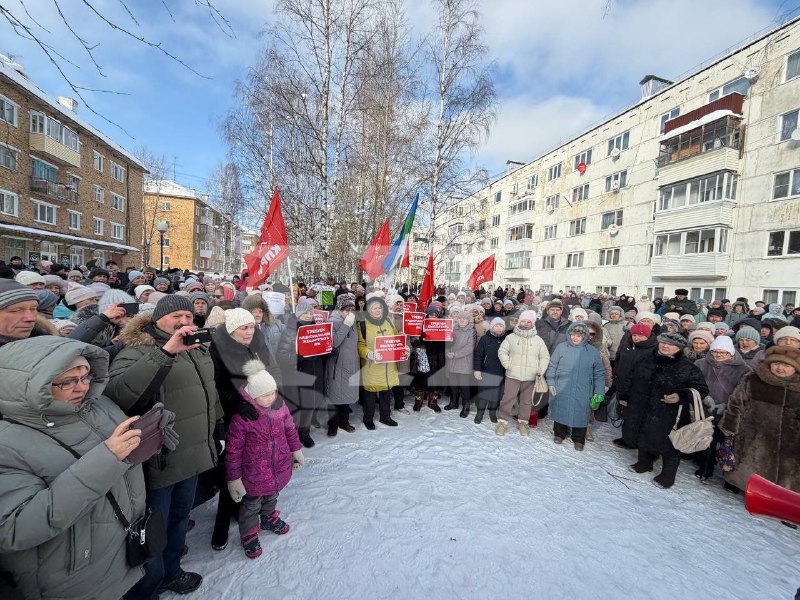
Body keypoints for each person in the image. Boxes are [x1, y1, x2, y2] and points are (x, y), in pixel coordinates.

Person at [0, 337, 148, 600]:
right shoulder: (7, 443)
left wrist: (149, 441)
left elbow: (122, 458)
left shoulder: (97, 405)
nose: (81, 387)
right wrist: (106, 458)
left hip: (126, 544)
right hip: (77, 577)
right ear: (30, 387)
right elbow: (13, 529)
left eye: (86, 376)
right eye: (67, 381)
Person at [105, 295, 222, 597]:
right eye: (176, 316)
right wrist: (167, 351)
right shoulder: (139, 348)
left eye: (188, 316)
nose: (184, 322)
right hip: (159, 459)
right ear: (158, 319)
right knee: (151, 529)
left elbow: (209, 393)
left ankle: (172, 572)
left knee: (180, 519)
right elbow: (120, 394)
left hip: (193, 450)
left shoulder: (198, 347)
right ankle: (148, 587)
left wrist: (217, 431)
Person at [208, 307, 282, 551]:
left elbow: (259, 378)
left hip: (257, 416)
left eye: (251, 327)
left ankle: (246, 511)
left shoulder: (251, 347)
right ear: (231, 330)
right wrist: (239, 403)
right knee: (232, 472)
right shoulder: (217, 350)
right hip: (232, 419)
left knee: (255, 465)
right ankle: (220, 528)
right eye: (244, 328)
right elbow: (217, 388)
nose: (250, 331)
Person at [225, 360, 303, 559]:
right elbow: (233, 451)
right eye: (265, 395)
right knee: (251, 505)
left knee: (272, 495)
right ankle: (249, 534)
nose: (270, 398)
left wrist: (296, 450)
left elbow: (290, 430)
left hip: (278, 466)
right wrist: (234, 479)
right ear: (252, 395)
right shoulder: (243, 417)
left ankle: (268, 518)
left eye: (272, 393)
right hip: (254, 472)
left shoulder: (280, 407)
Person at [628, 332, 709, 489]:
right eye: (663, 342)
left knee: (670, 444)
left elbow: (701, 389)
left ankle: (667, 475)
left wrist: (680, 396)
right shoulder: (647, 359)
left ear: (679, 348)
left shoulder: (687, 367)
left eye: (670, 344)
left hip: (671, 412)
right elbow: (633, 377)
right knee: (643, 434)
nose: (665, 346)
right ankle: (644, 463)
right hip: (643, 406)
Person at [719, 345, 800, 494]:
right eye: (776, 363)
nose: (780, 368)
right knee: (749, 463)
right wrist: (730, 428)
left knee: (787, 472)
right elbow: (736, 403)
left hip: (790, 440)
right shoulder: (753, 379)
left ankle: (784, 497)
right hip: (753, 432)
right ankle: (743, 486)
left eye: (786, 365)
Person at [693, 335, 752, 481]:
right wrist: (704, 397)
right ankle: (705, 467)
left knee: (726, 442)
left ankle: (728, 474)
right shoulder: (701, 363)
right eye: (715, 351)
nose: (718, 355)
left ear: (731, 353)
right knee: (707, 439)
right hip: (704, 408)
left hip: (728, 412)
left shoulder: (744, 369)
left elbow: (745, 392)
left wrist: (727, 405)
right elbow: (693, 381)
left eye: (723, 352)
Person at [546, 322, 606, 451]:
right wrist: (551, 382)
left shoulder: (592, 351)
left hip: (584, 388)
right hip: (563, 386)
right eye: (573, 334)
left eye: (579, 335)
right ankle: (559, 433)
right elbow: (552, 366)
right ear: (569, 334)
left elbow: (599, 374)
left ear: (585, 336)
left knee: (581, 412)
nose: (575, 338)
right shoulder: (561, 347)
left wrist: (599, 392)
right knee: (562, 408)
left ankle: (578, 438)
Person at [277, 299, 326, 447]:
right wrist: (298, 357)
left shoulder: (317, 328)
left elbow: (322, 347)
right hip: (298, 374)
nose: (308, 315)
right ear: (298, 314)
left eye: (310, 312)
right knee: (298, 407)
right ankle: (293, 435)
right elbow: (281, 356)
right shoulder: (289, 331)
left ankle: (305, 433)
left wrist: (329, 351)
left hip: (315, 372)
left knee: (310, 404)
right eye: (304, 312)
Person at [496, 310, 550, 436]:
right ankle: (502, 421)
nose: (526, 324)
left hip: (530, 377)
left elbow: (545, 356)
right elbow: (502, 351)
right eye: (523, 321)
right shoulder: (511, 338)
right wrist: (508, 365)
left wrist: (540, 370)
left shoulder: (538, 340)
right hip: (513, 375)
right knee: (508, 399)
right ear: (519, 322)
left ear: (533, 324)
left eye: (529, 322)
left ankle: (523, 422)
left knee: (526, 401)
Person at [357, 296, 402, 429]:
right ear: (369, 310)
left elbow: (395, 338)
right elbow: (360, 345)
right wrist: (368, 354)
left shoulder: (388, 321)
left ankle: (385, 416)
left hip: (388, 365)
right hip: (372, 365)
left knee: (385, 392)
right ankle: (368, 418)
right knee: (370, 393)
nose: (377, 310)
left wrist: (402, 341)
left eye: (379, 308)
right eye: (374, 308)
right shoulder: (363, 324)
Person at [324, 294, 359, 436]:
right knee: (334, 396)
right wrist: (346, 325)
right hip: (336, 366)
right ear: (340, 309)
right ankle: (332, 425)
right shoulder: (333, 321)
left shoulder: (353, 321)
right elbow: (333, 343)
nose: (350, 312)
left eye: (352, 309)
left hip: (351, 364)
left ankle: (344, 422)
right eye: (346, 309)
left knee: (346, 395)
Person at [473, 317, 506, 424]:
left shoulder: (506, 339)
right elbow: (478, 355)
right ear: (492, 327)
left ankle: (492, 413)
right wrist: (477, 370)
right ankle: (480, 413)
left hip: (500, 372)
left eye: (501, 326)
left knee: (496, 395)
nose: (499, 328)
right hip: (486, 371)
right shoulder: (484, 338)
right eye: (496, 325)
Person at [444, 309, 477, 417]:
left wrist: (455, 354)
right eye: (460, 318)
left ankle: (465, 406)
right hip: (452, 361)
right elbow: (447, 342)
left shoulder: (471, 331)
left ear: (468, 320)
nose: (462, 320)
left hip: (464, 362)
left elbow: (469, 348)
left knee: (464, 386)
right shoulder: (453, 328)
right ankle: (453, 402)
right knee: (453, 384)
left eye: (465, 318)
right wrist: (447, 351)